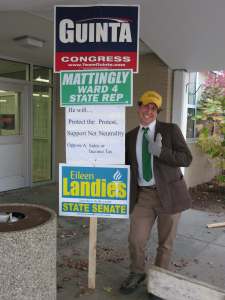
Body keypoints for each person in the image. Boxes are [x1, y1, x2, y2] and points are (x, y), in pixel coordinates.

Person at [120, 90, 192, 299]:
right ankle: (137, 272)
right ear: (139, 107)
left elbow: (186, 158)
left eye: (154, 108)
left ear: (157, 112)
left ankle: (159, 280)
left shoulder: (170, 131)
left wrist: (161, 152)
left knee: (165, 242)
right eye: (145, 106)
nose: (149, 111)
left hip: (170, 194)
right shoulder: (130, 136)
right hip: (143, 195)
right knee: (136, 239)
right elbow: (126, 165)